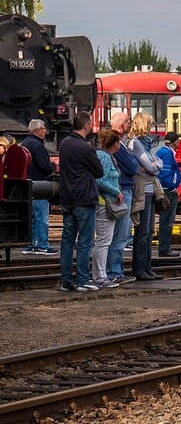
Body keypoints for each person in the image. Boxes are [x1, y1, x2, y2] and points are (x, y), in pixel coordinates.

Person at [57, 113, 104, 292]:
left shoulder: (65, 144)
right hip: (84, 198)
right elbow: (99, 171)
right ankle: (83, 279)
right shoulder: (86, 147)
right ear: (86, 126)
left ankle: (65, 280)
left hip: (67, 198)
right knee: (85, 241)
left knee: (67, 240)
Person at [128, 113, 164, 281]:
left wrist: (153, 166)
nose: (151, 127)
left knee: (149, 232)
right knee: (142, 232)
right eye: (149, 124)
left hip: (150, 191)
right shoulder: (136, 143)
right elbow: (150, 166)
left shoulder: (147, 145)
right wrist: (153, 166)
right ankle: (140, 268)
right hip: (142, 191)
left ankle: (147, 267)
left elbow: (155, 164)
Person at [107, 112, 139, 285]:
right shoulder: (117, 143)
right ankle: (114, 271)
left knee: (117, 235)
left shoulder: (121, 143)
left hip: (124, 189)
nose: (130, 125)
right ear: (120, 125)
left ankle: (115, 270)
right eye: (128, 122)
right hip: (122, 190)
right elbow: (133, 166)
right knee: (119, 236)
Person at [92, 129, 124, 288]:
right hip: (105, 203)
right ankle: (100, 276)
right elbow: (100, 180)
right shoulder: (104, 157)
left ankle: (100, 274)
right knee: (104, 241)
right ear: (115, 143)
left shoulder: (106, 156)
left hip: (108, 202)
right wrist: (116, 191)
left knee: (105, 240)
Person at [21, 119, 58, 255]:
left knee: (32, 218)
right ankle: (42, 244)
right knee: (42, 217)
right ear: (38, 130)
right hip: (40, 186)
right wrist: (53, 166)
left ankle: (30, 244)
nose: (45, 131)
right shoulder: (37, 145)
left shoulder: (25, 143)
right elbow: (44, 166)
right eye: (43, 128)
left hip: (29, 185)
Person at [155, 131, 181, 257]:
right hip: (168, 191)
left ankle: (165, 248)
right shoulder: (167, 154)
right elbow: (165, 173)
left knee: (165, 220)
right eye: (178, 140)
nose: (180, 142)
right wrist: (172, 186)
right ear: (174, 142)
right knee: (167, 220)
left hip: (166, 189)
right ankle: (164, 249)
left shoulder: (163, 152)